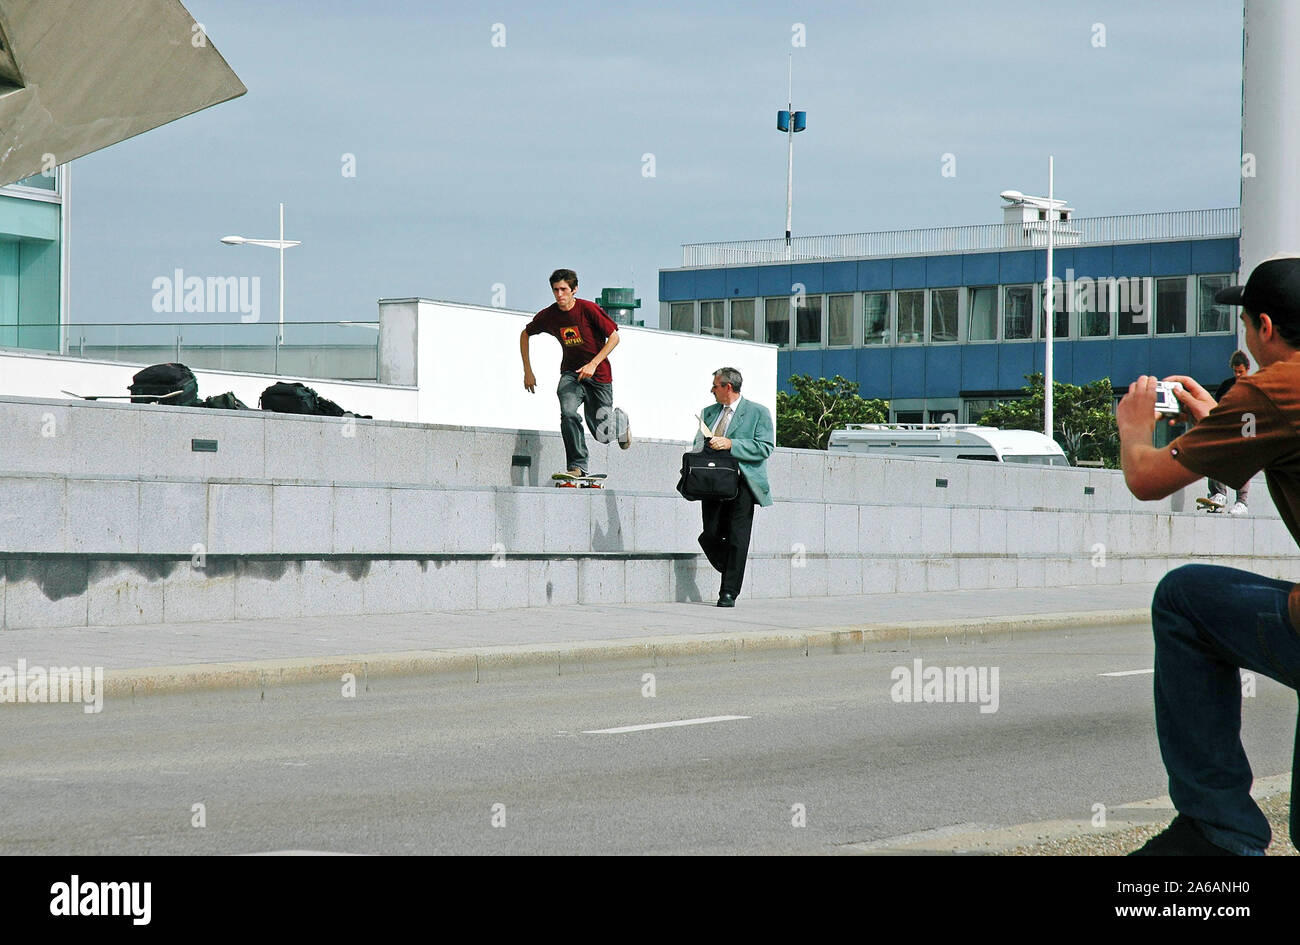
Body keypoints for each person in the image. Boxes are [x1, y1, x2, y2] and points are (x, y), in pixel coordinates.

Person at [1116, 254, 1300, 856]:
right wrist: (1222, 423)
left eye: (1246, 322)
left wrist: (1135, 427)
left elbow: (1147, 479)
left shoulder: (1273, 388)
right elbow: (1265, 436)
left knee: (1184, 598)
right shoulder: (1262, 405)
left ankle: (1218, 829)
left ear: (1263, 328)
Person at [520, 269, 630, 476]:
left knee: (602, 434)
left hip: (599, 376)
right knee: (568, 413)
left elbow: (614, 337)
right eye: (555, 290)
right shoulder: (549, 315)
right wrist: (528, 370)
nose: (559, 295)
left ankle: (621, 421)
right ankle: (577, 466)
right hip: (571, 374)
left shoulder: (588, 309)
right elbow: (525, 334)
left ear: (574, 289)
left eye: (563, 290)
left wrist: (593, 364)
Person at [694, 367, 774, 607]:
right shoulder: (708, 412)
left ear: (728, 387)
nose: (712, 390)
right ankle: (731, 566)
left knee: (738, 539)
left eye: (715, 386)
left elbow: (765, 447)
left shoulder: (758, 412)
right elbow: (698, 442)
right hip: (712, 482)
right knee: (709, 535)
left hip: (742, 482)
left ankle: (728, 592)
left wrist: (730, 443)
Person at [1199, 350, 1253, 514]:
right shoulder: (1226, 386)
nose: (1238, 375)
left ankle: (1242, 502)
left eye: (1241, 372)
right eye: (1235, 372)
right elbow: (1215, 408)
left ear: (1247, 369)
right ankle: (1218, 494)